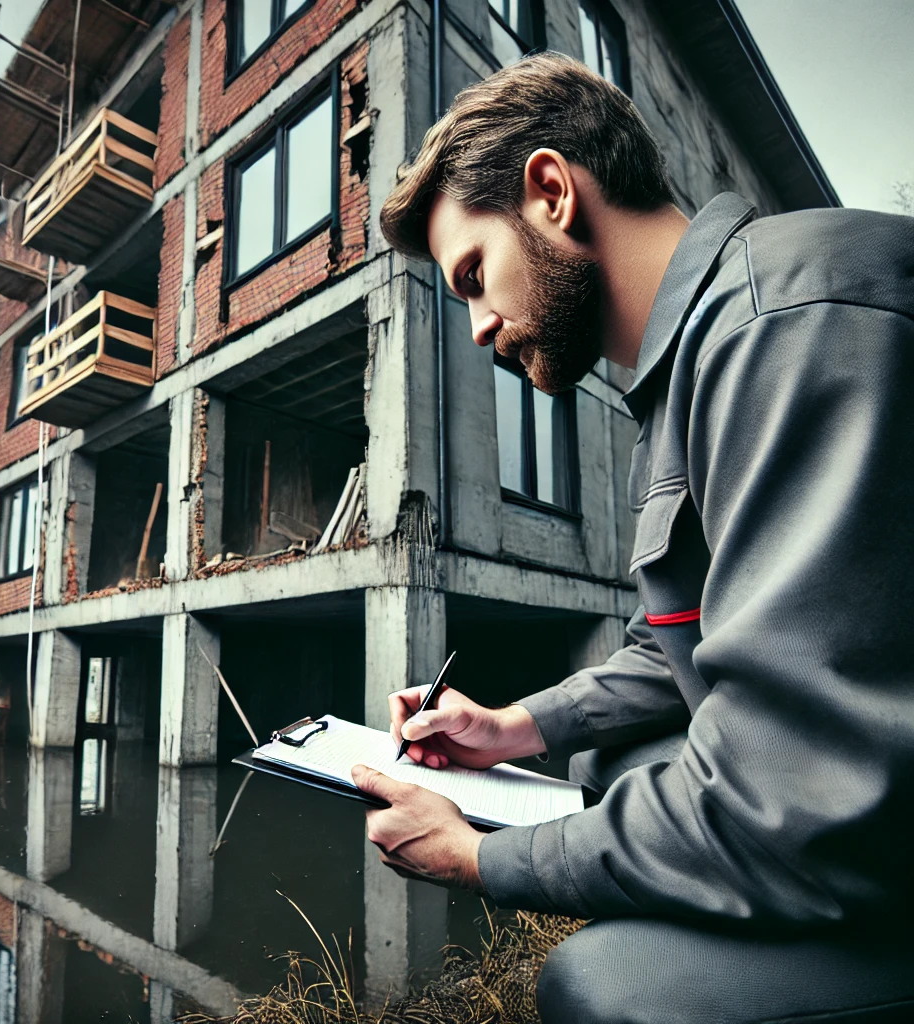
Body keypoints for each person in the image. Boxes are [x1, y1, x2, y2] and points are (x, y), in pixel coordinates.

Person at [350, 52, 914, 1022]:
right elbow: (681, 642)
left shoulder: (781, 331)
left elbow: (791, 793)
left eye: (475, 275)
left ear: (551, 192)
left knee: (600, 988)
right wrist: (509, 729)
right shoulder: (693, 370)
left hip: (858, 822)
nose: (479, 326)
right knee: (602, 767)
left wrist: (483, 856)